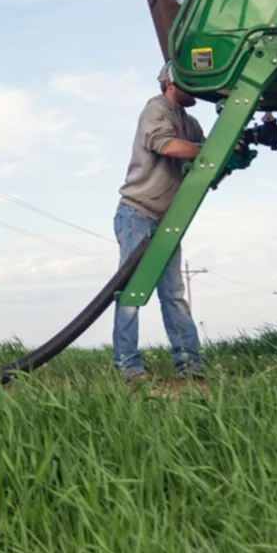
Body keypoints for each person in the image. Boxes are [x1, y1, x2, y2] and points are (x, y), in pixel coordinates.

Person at [113, 61, 206, 383]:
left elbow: (204, 161)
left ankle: (189, 367)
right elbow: (165, 144)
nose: (195, 89)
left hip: (168, 219)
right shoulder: (156, 110)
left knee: (174, 293)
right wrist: (204, 153)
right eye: (188, 82)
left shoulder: (190, 123)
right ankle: (128, 367)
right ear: (170, 82)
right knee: (131, 293)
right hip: (138, 212)